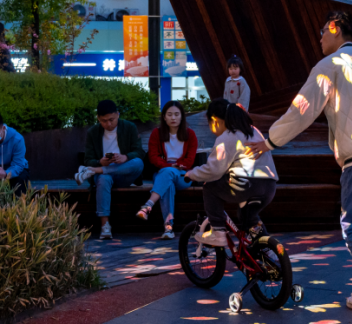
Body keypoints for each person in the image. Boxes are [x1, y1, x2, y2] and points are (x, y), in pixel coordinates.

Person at [248, 9, 352, 318]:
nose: (320, 39)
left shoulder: (330, 65)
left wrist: (270, 141)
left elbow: (302, 109)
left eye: (323, 32)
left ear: (336, 29)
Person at [184, 99, 277, 247]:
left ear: (214, 120)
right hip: (269, 186)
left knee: (210, 187)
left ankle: (218, 233)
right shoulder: (253, 130)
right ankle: (267, 251)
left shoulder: (227, 137)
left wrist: (191, 174)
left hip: (247, 185)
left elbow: (213, 170)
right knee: (248, 216)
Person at [74, 99, 147, 240]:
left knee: (138, 163)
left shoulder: (129, 127)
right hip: (105, 176)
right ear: (98, 118)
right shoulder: (93, 132)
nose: (108, 124)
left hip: (125, 173)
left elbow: (139, 152)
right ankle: (105, 225)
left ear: (118, 115)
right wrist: (99, 162)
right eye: (104, 121)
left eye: (111, 120)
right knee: (103, 178)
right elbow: (88, 160)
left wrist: (125, 157)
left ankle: (93, 171)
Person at [137, 100, 199, 239]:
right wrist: (169, 167)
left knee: (168, 174)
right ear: (164, 117)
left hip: (184, 175)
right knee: (168, 182)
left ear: (182, 116)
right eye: (169, 114)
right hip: (162, 172)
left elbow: (190, 161)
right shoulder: (156, 133)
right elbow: (153, 157)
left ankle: (148, 205)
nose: (173, 118)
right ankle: (168, 228)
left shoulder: (190, 135)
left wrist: (175, 167)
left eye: (176, 114)